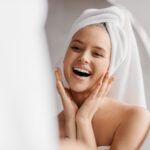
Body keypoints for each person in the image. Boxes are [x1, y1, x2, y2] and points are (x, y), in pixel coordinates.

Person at [55, 5, 150, 150]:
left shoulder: (135, 118)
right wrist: (70, 121)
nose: (84, 58)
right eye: (76, 48)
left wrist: (83, 120)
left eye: (97, 54)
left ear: (110, 67)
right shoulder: (50, 127)